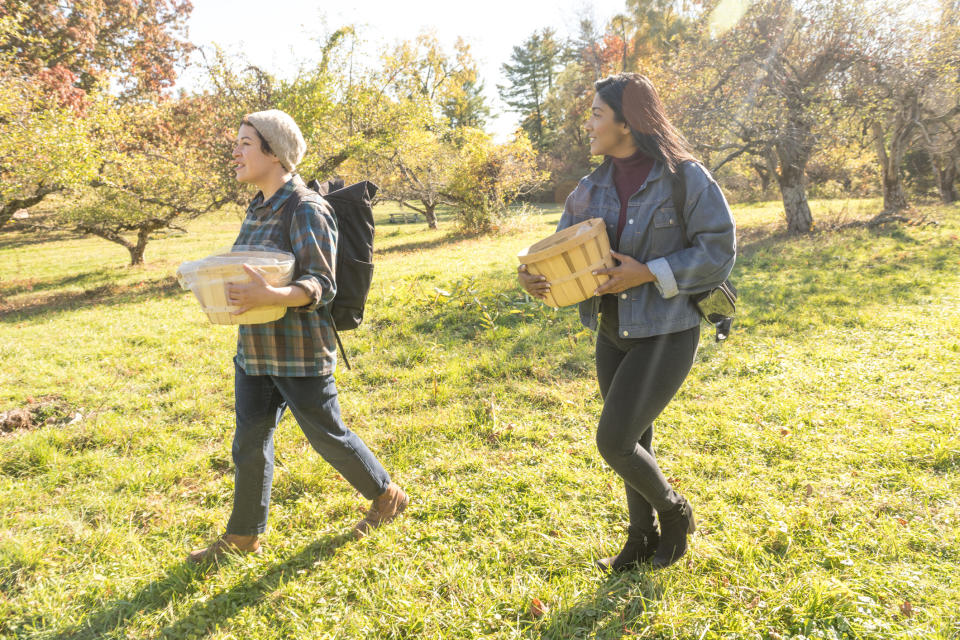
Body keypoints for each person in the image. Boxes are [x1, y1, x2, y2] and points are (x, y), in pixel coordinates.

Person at [518, 74, 735, 571]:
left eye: (596, 113)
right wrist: (530, 277)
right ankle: (640, 540)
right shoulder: (590, 187)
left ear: (627, 122)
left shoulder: (685, 177)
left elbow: (718, 252)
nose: (588, 122)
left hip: (667, 331)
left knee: (614, 442)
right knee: (635, 440)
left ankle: (676, 515)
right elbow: (553, 252)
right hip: (612, 330)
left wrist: (648, 272)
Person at [189, 109, 407, 563]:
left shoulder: (307, 208)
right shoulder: (259, 205)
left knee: (328, 436)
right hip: (254, 350)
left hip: (298, 354)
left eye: (246, 142)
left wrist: (269, 292)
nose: (236, 151)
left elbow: (321, 285)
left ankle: (387, 494)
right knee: (249, 440)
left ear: (275, 151)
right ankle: (244, 534)